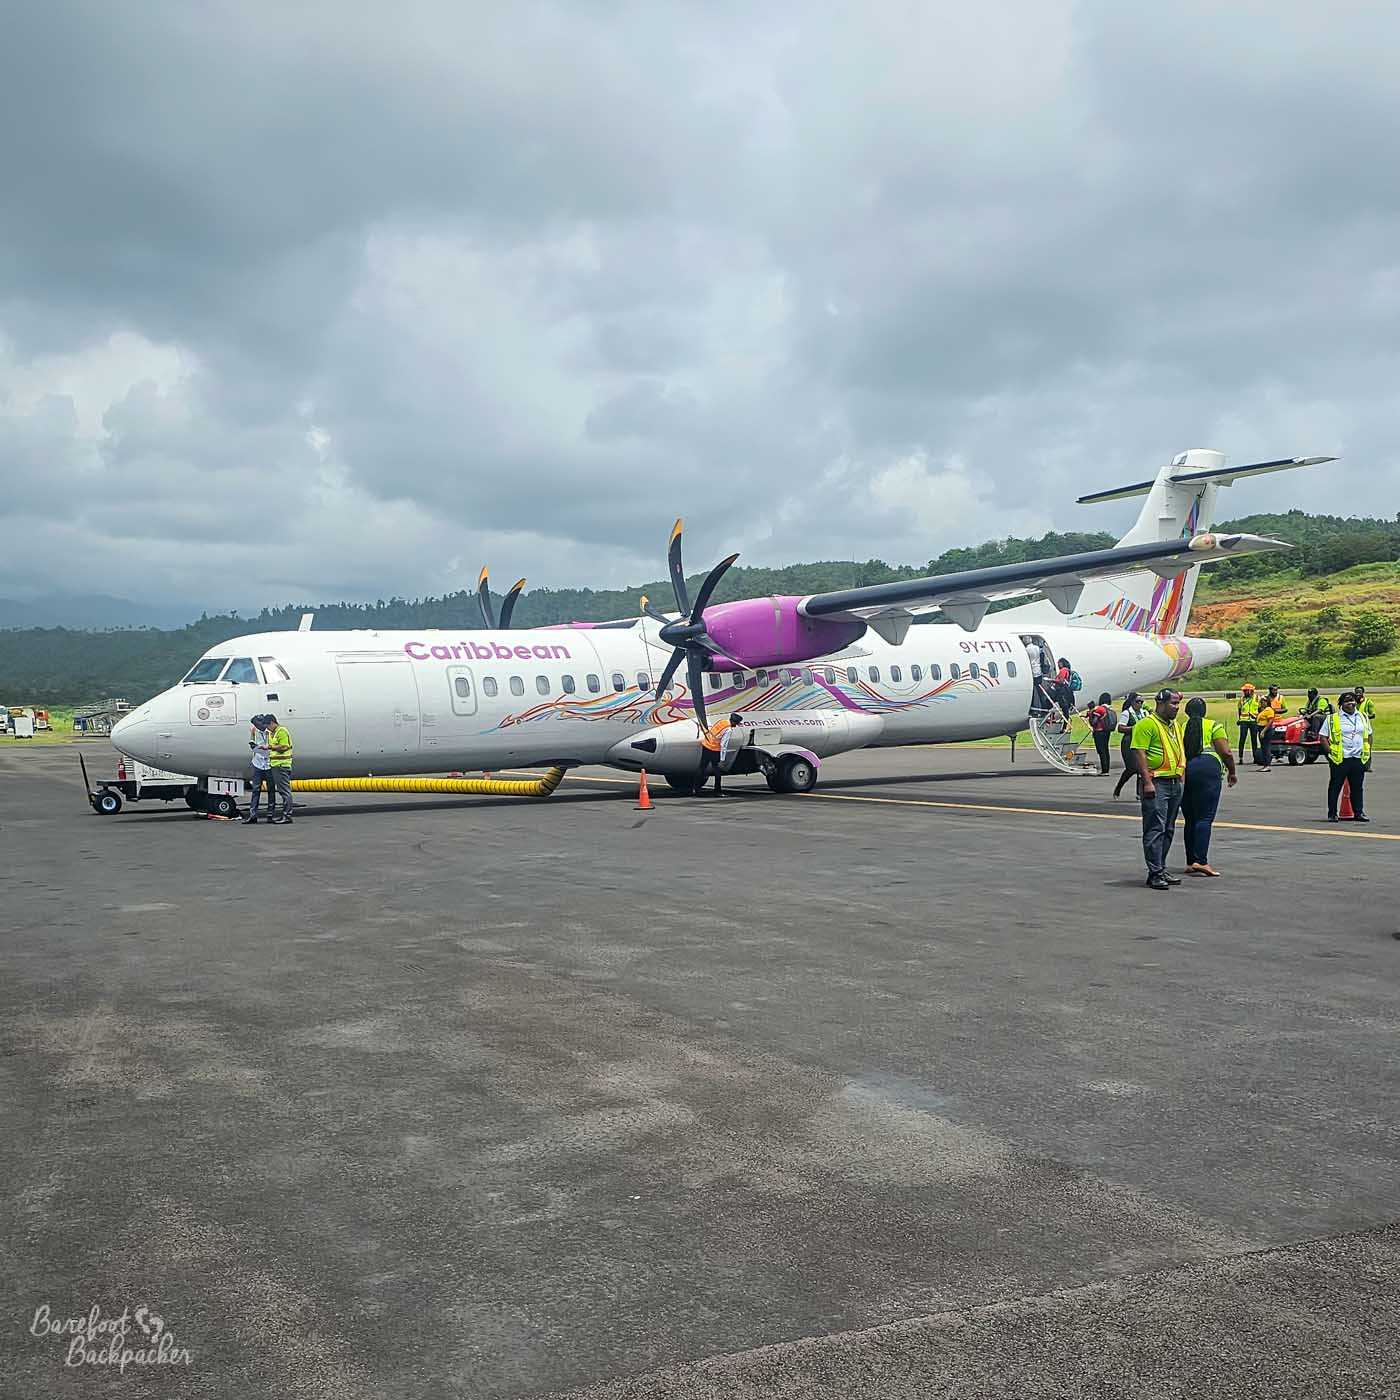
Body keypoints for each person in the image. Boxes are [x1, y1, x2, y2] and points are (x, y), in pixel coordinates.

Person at [1132, 689, 1185, 891]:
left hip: (1174, 783)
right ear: (1160, 703)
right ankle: (1155, 873)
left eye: (1178, 704)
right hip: (1157, 783)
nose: (1176, 708)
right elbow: (1140, 753)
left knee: (1168, 829)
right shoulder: (1146, 724)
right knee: (1155, 828)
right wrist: (1147, 782)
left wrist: (1182, 777)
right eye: (1173, 703)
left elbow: (1179, 752)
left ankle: (1160, 868)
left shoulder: (1175, 726)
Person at [1181, 697, 1237, 877]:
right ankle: (1201, 861)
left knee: (1190, 818)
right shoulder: (1214, 726)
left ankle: (1191, 861)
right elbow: (1226, 752)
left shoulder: (1183, 727)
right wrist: (1232, 771)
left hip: (1187, 768)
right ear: (1204, 711)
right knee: (1204, 817)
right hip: (1208, 768)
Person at [1324, 692, 1373, 823]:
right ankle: (1332, 813)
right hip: (1340, 758)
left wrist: (1368, 751)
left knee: (1357, 787)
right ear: (1341, 704)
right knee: (1335, 787)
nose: (1350, 703)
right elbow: (1323, 737)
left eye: (1352, 701)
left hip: (1357, 757)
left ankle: (1359, 812)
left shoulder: (1363, 716)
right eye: (1347, 701)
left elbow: (1369, 735)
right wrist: (1330, 753)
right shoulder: (1333, 718)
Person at [1113, 693, 1147, 797]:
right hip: (1128, 742)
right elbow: (1120, 728)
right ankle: (1118, 788)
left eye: (1142, 702)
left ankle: (1139, 792)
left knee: (1141, 768)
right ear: (1132, 702)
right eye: (1137, 701)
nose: (1140, 704)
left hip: (1141, 742)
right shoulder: (1127, 713)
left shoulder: (1144, 713)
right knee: (1131, 768)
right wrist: (1134, 729)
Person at [241, 714, 274, 824]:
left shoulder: (272, 732)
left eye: (257, 724)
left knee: (271, 790)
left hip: (270, 763)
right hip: (258, 763)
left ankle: (270, 815)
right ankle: (253, 815)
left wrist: (266, 749)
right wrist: (257, 748)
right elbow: (252, 745)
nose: (256, 726)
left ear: (263, 723)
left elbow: (276, 746)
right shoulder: (254, 731)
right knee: (256, 790)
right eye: (254, 725)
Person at [265, 713, 295, 823]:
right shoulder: (273, 733)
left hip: (282, 765)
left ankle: (287, 816)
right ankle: (285, 815)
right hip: (276, 765)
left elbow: (284, 746)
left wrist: (270, 747)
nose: (267, 728)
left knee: (285, 792)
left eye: (268, 725)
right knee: (283, 791)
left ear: (272, 723)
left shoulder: (281, 731)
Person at [1085, 692, 1117, 775]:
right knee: (1106, 749)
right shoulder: (1109, 709)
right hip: (1107, 731)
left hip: (1099, 732)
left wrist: (1091, 712)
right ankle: (1106, 769)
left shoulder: (1099, 709)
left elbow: (1094, 722)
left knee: (1101, 750)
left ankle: (1104, 770)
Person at [697, 717, 725, 795]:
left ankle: (696, 789)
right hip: (714, 750)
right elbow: (724, 744)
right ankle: (717, 791)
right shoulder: (728, 730)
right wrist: (722, 759)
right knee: (717, 771)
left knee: (702, 768)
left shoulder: (721, 721)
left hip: (706, 745)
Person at [1235, 683, 1259, 763]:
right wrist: (1240, 719)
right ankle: (1240, 757)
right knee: (1242, 739)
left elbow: (1261, 709)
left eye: (1246, 691)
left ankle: (1255, 758)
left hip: (1253, 721)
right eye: (1244, 691)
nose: (1244, 692)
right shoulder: (1241, 699)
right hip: (1244, 721)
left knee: (1254, 740)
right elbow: (1239, 709)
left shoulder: (1257, 698)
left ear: (1251, 691)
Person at [1255, 698, 1276, 769]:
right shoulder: (1263, 710)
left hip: (1266, 730)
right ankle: (1264, 765)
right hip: (1260, 728)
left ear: (1267, 702)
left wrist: (1263, 731)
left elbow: (1270, 721)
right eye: (1261, 702)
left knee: (1266, 747)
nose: (1262, 703)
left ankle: (1267, 765)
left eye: (1264, 702)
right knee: (1263, 748)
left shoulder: (1269, 710)